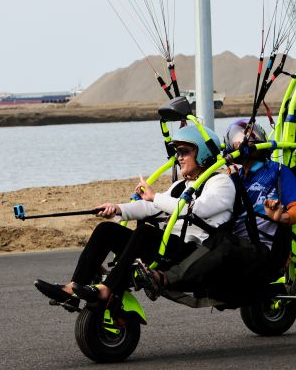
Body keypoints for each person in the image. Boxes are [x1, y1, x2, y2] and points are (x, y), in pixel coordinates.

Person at [34, 123, 235, 309]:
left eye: (184, 152)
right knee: (107, 230)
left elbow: (197, 209)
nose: (179, 157)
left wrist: (154, 196)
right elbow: (151, 207)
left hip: (193, 254)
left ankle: (106, 290)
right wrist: (117, 209)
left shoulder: (221, 183)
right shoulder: (182, 186)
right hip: (170, 246)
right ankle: (74, 288)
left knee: (145, 233)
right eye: (177, 152)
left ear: (204, 154)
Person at [136, 119, 296, 296]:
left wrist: (281, 217)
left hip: (261, 248)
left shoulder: (278, 172)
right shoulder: (234, 178)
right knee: (215, 239)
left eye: (241, 139)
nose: (236, 144)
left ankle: (165, 279)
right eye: (234, 140)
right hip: (233, 241)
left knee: (222, 243)